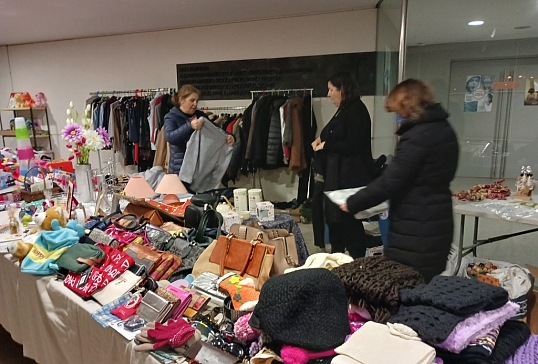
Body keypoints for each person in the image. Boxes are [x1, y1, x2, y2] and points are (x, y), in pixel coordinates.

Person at [340, 79, 459, 282]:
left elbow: (392, 181)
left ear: (407, 104)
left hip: (416, 226)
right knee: (427, 282)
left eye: (398, 110)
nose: (398, 117)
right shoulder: (444, 128)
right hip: (437, 218)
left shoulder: (418, 135)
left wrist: (353, 202)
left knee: (407, 285)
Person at [311, 71, 375, 258]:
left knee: (348, 221)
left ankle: (356, 261)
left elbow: (353, 144)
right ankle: (337, 257)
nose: (328, 94)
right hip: (336, 177)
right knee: (335, 220)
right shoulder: (345, 109)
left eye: (331, 90)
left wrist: (326, 144)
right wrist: (319, 139)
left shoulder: (356, 110)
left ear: (343, 90)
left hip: (348, 178)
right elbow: (334, 132)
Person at [163, 85, 234, 175]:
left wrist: (230, 136)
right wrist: (189, 126)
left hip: (199, 169)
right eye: (192, 100)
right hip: (180, 169)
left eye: (197, 101)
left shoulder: (200, 115)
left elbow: (216, 129)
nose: (195, 104)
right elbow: (169, 137)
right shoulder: (171, 117)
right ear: (181, 100)